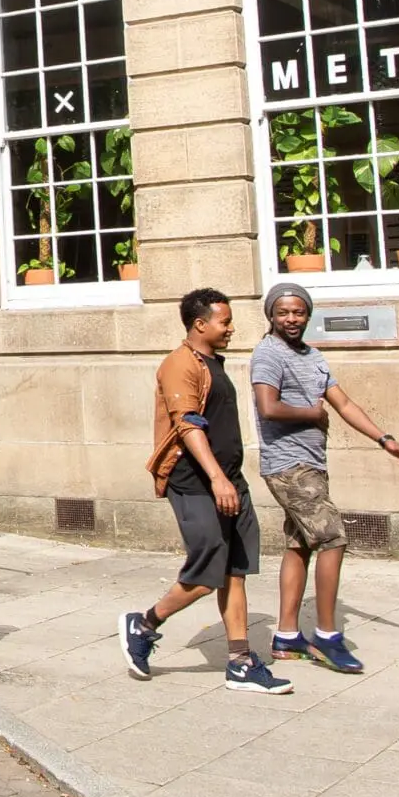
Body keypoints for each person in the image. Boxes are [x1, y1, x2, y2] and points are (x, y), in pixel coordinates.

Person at [122, 288, 293, 694]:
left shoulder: (212, 363)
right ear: (200, 324)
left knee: (235, 571)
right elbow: (188, 425)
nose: (231, 328)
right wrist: (216, 479)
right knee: (207, 571)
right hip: (195, 483)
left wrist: (230, 478)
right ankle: (144, 624)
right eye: (225, 321)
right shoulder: (179, 365)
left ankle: (240, 662)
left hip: (230, 481)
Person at [251, 280, 399, 674]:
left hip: (311, 464)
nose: (291, 318)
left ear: (308, 314)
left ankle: (287, 636)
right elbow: (267, 406)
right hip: (289, 466)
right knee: (333, 538)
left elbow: (344, 402)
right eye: (283, 312)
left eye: (298, 312)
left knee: (300, 544)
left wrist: (383, 438)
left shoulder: (312, 356)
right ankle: (327, 636)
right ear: (271, 315)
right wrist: (312, 414)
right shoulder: (268, 354)